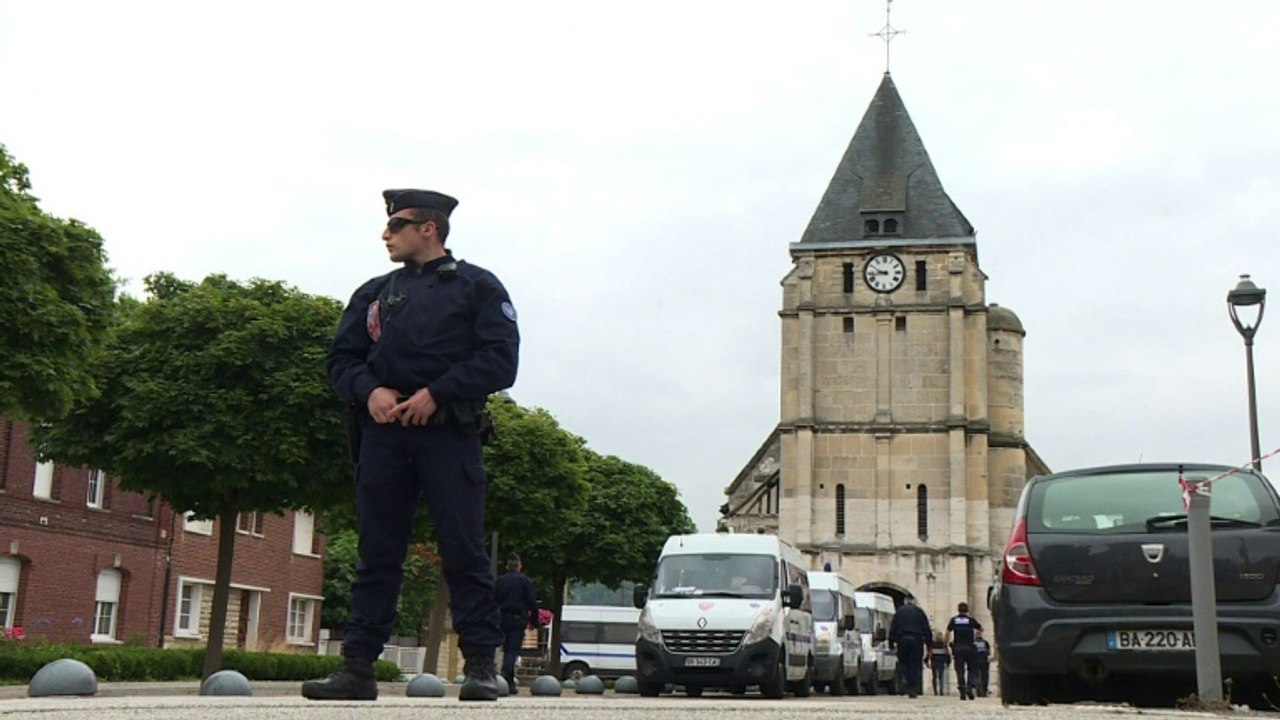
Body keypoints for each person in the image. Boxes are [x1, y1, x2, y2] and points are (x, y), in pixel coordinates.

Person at [303, 189, 520, 702]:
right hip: (383, 435)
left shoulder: (478, 287)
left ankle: (481, 668)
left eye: (397, 225)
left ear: (429, 228)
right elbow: (342, 359)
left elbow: (500, 361)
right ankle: (357, 668)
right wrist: (370, 390)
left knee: (463, 551)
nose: (386, 234)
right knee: (376, 553)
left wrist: (437, 392)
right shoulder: (374, 293)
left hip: (448, 433)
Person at [495, 552, 538, 692]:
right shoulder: (524, 581)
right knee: (512, 650)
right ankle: (506, 672)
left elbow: (492, 600)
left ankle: (509, 684)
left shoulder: (499, 581)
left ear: (507, 566)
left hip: (501, 618)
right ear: (519, 566)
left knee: (504, 648)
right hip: (517, 619)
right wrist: (534, 621)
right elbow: (532, 602)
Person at [887, 594, 931, 699]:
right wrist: (929, 645)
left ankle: (904, 678)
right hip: (916, 640)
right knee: (915, 664)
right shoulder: (920, 612)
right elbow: (927, 629)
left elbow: (893, 628)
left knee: (903, 662)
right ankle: (912, 688)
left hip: (902, 639)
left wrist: (891, 644)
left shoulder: (899, 612)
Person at [946, 601, 983, 700]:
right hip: (969, 647)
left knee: (960, 670)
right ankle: (970, 687)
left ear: (958, 610)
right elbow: (980, 628)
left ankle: (962, 689)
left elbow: (948, 632)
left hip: (958, 648)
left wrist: (947, 644)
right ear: (967, 610)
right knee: (972, 669)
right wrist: (975, 636)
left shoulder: (954, 620)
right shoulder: (970, 620)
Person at [928, 631, 951, 696]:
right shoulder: (943, 645)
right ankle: (941, 690)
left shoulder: (932, 644)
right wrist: (948, 662)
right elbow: (947, 654)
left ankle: (935, 691)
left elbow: (930, 653)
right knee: (941, 677)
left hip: (934, 662)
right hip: (941, 662)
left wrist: (927, 660)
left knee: (934, 677)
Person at [972, 629, 991, 697]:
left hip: (977, 661)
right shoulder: (985, 642)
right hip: (982, 660)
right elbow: (988, 652)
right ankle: (983, 691)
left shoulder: (973, 642)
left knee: (978, 676)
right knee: (984, 677)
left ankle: (980, 690)